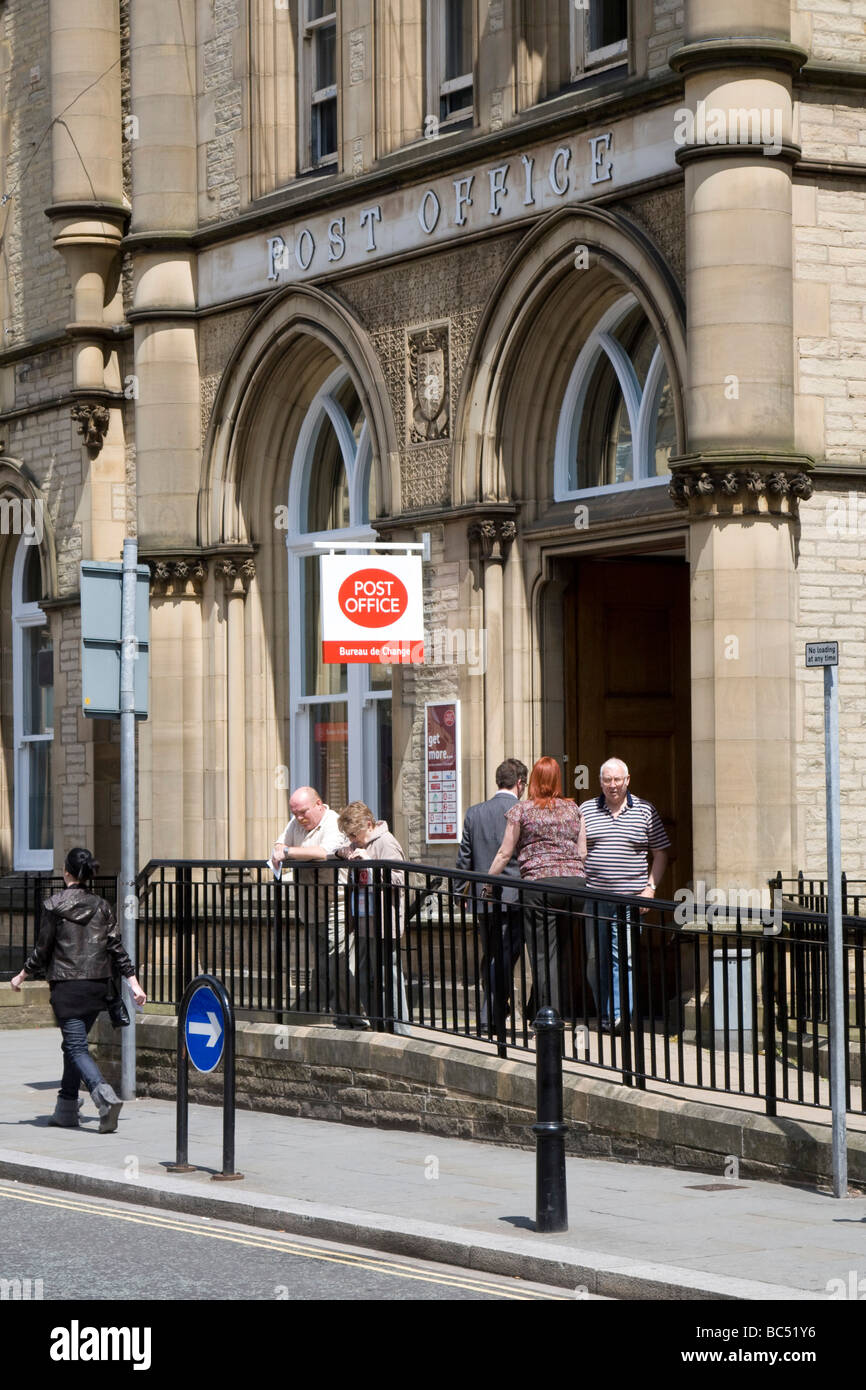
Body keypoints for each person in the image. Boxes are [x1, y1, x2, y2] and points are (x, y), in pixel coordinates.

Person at [9, 847, 147, 1133]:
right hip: (97, 987)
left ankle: (103, 1096)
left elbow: (43, 949)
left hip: (67, 988)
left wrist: (22, 974)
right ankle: (66, 1108)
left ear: (66, 872)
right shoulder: (102, 905)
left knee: (75, 1046)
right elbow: (116, 947)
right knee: (72, 1046)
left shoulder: (53, 906)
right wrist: (133, 982)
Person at [486, 756, 586, 1016]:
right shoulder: (574, 809)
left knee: (542, 955)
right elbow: (583, 852)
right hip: (574, 885)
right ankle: (560, 1014)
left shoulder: (522, 810)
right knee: (563, 953)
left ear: (532, 781)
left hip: (540, 885)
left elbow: (504, 854)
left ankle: (547, 1016)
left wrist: (488, 881)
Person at [579, 758, 670, 1033]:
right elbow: (578, 852)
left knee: (624, 959)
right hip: (594, 897)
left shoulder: (644, 811)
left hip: (630, 899)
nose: (613, 785)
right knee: (596, 960)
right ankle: (606, 1012)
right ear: (600, 782)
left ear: (627, 780)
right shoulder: (586, 810)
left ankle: (620, 1016)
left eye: (617, 780)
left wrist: (650, 888)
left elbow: (661, 852)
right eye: (607, 780)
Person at [456, 757, 528, 1029]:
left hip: (482, 898)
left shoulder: (475, 813)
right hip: (515, 898)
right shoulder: (524, 810)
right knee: (506, 957)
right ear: (520, 783)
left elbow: (464, 858)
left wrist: (460, 894)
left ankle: (496, 1011)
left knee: (493, 954)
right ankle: (493, 1013)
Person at [270, 786, 350, 1017]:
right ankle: (329, 1009)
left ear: (319, 804)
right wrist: (280, 849)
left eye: (303, 812)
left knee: (339, 962)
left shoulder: (334, 823)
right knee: (324, 964)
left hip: (337, 907)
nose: (299, 818)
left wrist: (288, 852)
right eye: (294, 813)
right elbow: (280, 843)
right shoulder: (296, 823)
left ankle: (347, 1014)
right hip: (310, 908)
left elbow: (324, 852)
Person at [336, 801, 410, 1035]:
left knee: (390, 976)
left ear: (369, 824)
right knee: (366, 976)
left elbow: (400, 880)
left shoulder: (386, 842)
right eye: (348, 836)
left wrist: (372, 864)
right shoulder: (358, 843)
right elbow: (338, 851)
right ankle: (380, 1026)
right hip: (363, 921)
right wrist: (343, 851)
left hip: (384, 923)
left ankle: (401, 1031)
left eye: (354, 835)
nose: (352, 839)